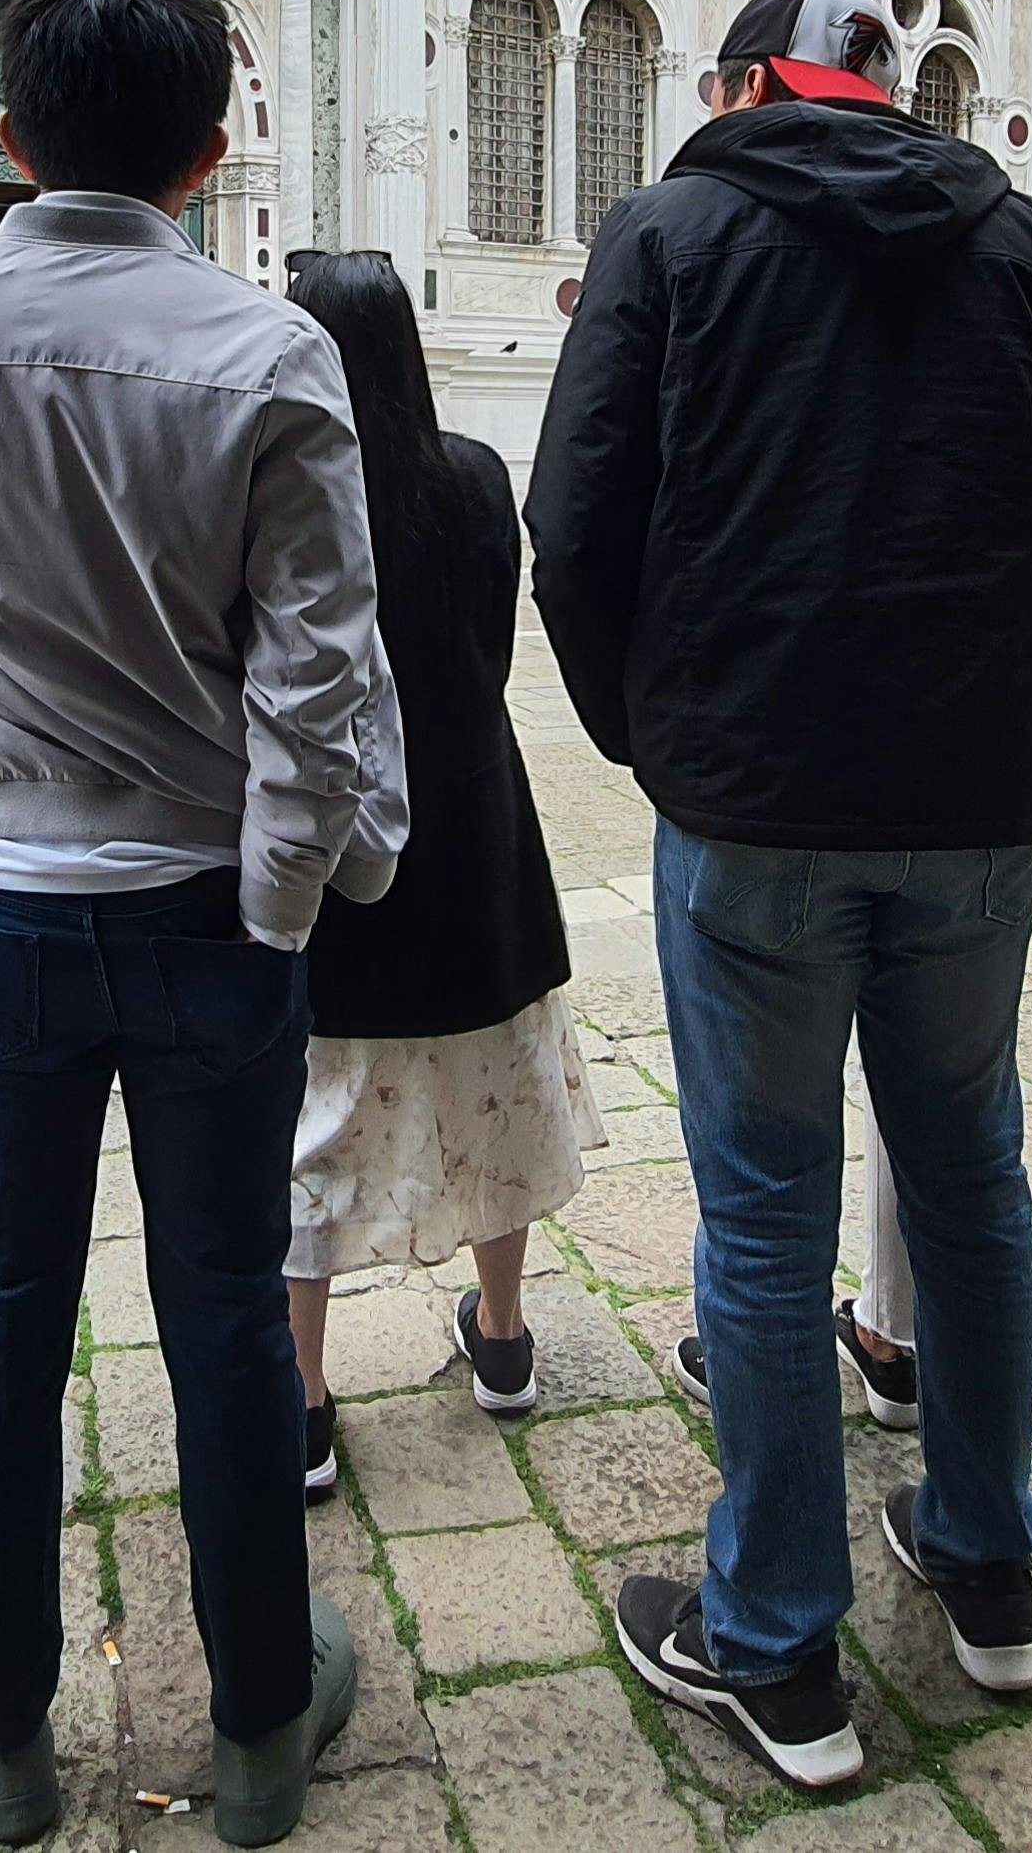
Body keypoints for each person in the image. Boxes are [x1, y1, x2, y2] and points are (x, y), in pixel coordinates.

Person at [532, 0, 1032, 1788]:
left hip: (759, 802)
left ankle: (778, 1649)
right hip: (975, 797)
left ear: (735, 88)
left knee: (771, 1211)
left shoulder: (671, 230)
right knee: (970, 1175)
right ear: (903, 93)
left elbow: (571, 525)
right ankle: (987, 1559)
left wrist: (649, 730)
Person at [0, 0, 403, 1851]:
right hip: (201, 903)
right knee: (228, 1310)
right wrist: (270, 900)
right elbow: (321, 670)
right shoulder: (269, 350)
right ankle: (259, 1719)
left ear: (6, 132)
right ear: (214, 144)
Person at [277, 252, 604, 1493]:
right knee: (494, 1086)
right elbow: (494, 647)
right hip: (473, 825)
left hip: (337, 839)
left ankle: (303, 1401)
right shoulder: (471, 479)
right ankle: (505, 1342)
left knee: (316, 1118)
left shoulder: (277, 490)